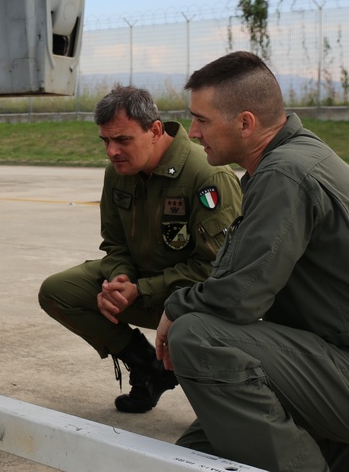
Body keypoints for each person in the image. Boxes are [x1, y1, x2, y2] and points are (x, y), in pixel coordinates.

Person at [156, 51, 349, 471]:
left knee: (196, 335)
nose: (192, 133)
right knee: (191, 459)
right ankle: (344, 448)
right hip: (337, 365)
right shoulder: (288, 161)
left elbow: (237, 299)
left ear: (246, 123)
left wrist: (176, 307)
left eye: (202, 120)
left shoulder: (286, 174)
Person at [38, 86, 242, 413]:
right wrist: (119, 280)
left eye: (123, 140)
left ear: (155, 131)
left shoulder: (206, 175)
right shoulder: (118, 174)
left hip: (192, 297)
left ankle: (221, 404)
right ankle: (148, 367)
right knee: (58, 291)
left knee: (194, 329)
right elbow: (115, 243)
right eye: (106, 141)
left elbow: (216, 268)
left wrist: (140, 289)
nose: (112, 151)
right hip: (142, 289)